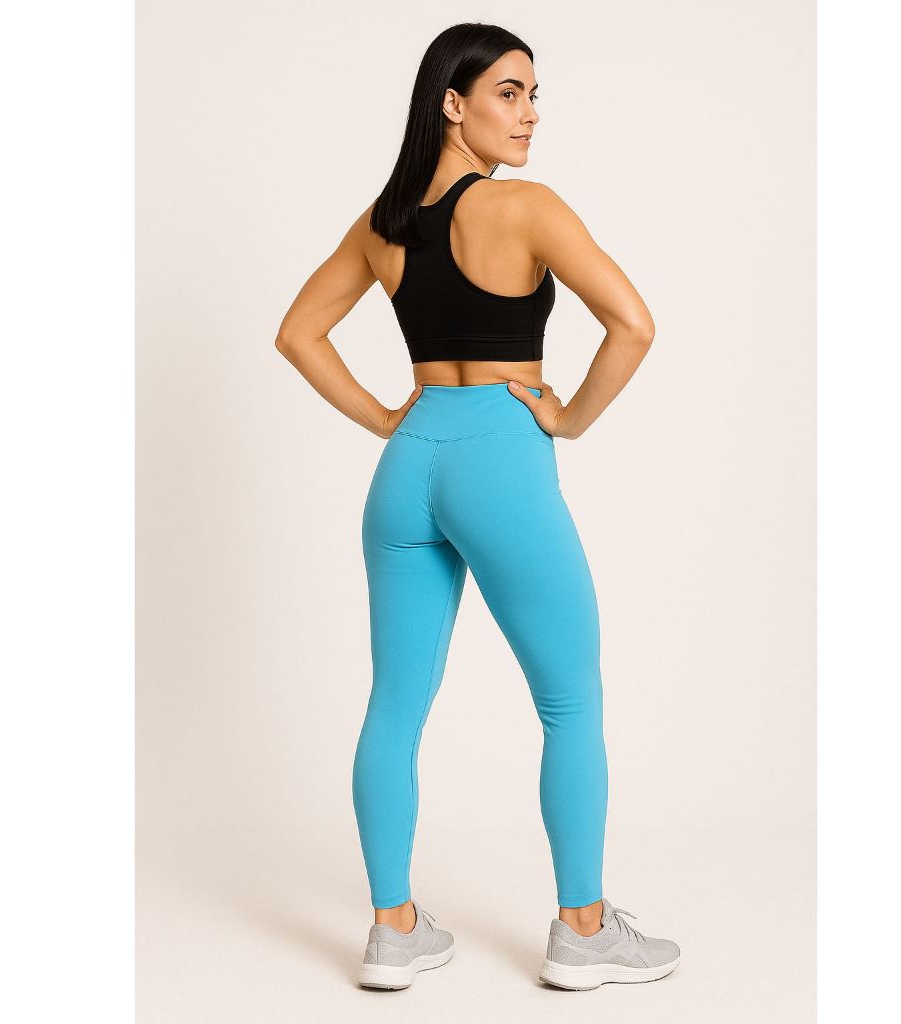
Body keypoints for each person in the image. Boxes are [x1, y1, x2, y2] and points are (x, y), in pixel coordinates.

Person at [275, 22, 681, 992]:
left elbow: (298, 333)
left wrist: (388, 417)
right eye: (510, 91)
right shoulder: (526, 207)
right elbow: (633, 323)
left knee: (394, 706)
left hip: (408, 468)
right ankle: (583, 930)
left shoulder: (383, 225)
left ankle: (393, 930)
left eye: (535, 95)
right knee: (569, 700)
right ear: (452, 104)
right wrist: (569, 418)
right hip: (500, 461)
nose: (530, 113)